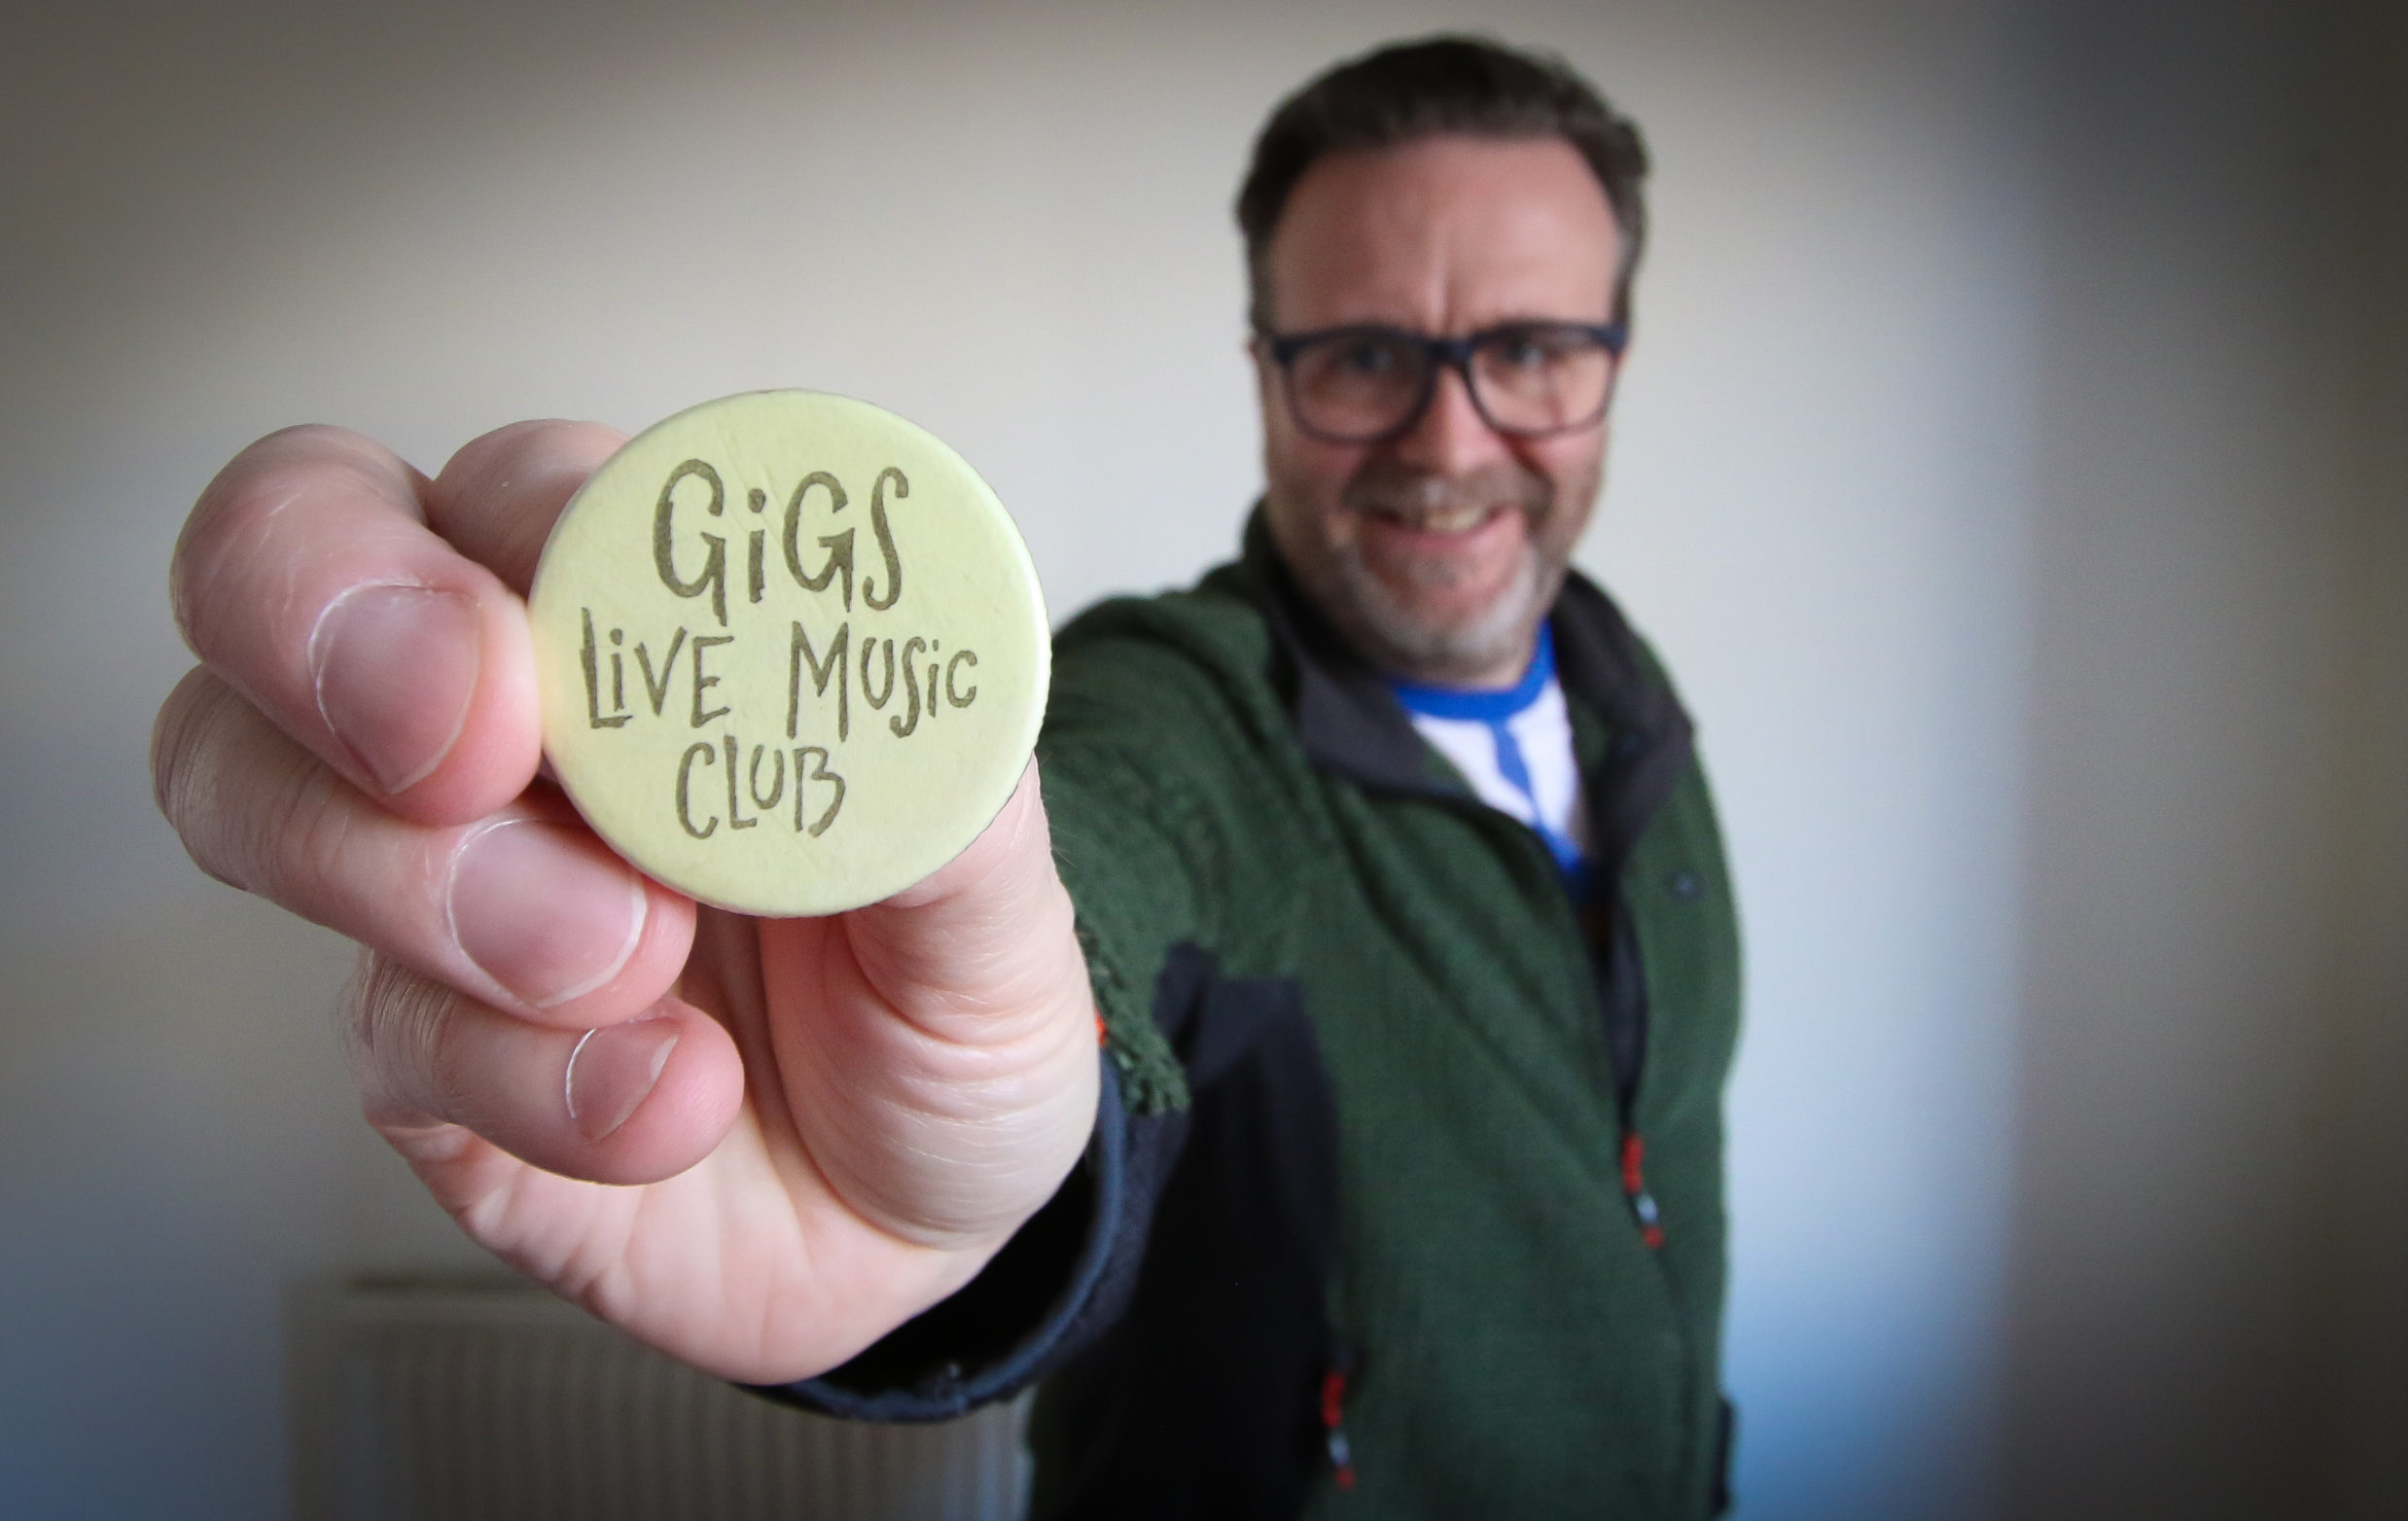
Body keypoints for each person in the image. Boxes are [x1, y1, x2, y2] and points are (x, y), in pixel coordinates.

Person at [153, 35, 1739, 1520]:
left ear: (1614, 357)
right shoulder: (1175, 708)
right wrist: (952, 1194)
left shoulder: (1636, 714)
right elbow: (1095, 854)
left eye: (1530, 348)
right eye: (1368, 354)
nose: (1450, 440)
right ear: (1269, 372)